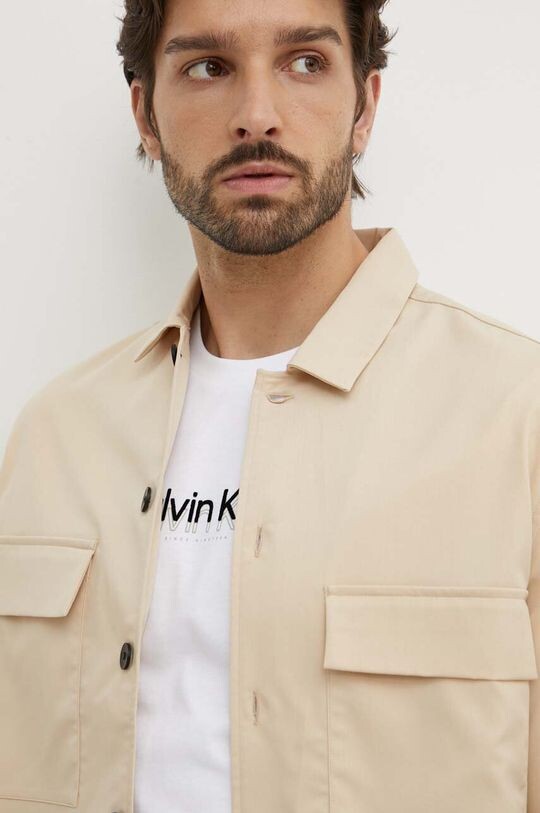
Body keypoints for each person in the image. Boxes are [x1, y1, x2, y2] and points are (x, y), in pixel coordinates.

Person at [0, 1, 538, 811]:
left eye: (305, 63)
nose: (257, 114)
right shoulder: (54, 437)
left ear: (365, 104)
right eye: (207, 67)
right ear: (146, 115)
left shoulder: (516, 416)